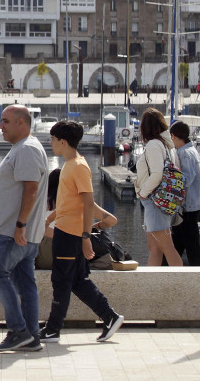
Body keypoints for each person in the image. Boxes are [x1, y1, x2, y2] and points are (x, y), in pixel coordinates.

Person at [38, 120, 124, 344]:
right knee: (77, 280)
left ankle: (53, 329)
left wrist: (86, 237)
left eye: (54, 139)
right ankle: (109, 317)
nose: (51, 143)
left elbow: (87, 204)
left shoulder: (77, 166)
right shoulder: (71, 165)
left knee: (62, 281)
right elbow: (71, 203)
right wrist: (52, 216)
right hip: (67, 229)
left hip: (70, 234)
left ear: (63, 141)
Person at [0, 104, 49, 352]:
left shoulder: (26, 149)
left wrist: (19, 225)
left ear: (22, 123)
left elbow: (30, 189)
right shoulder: (23, 148)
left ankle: (18, 330)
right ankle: (31, 335)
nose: (0, 125)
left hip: (17, 233)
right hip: (14, 230)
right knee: (25, 284)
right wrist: (1, 223)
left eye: (6, 121)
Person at [135, 108, 183, 267]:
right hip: (162, 200)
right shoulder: (168, 146)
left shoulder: (154, 145)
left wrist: (143, 192)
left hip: (154, 200)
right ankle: (151, 284)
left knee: (167, 247)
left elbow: (156, 174)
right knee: (155, 247)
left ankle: (181, 286)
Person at [169, 121, 200, 266]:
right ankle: (170, 268)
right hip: (192, 203)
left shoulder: (184, 153)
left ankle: (198, 272)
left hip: (188, 205)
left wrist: (171, 187)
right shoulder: (192, 150)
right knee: (179, 240)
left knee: (191, 243)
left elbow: (187, 178)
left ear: (173, 136)